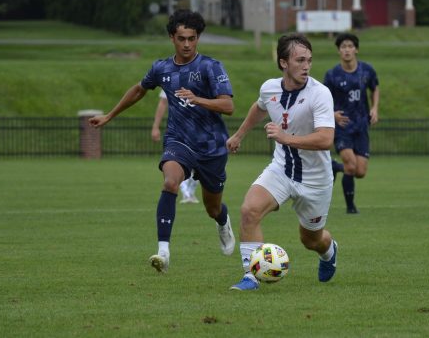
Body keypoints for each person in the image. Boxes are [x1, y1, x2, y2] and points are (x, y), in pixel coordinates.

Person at [89, 9, 236, 273]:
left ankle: (223, 222)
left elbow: (228, 106)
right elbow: (138, 90)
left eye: (192, 38)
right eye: (182, 38)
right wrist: (110, 115)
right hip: (178, 140)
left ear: (198, 38)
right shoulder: (161, 68)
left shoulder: (210, 66)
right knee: (170, 181)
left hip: (212, 146)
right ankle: (163, 252)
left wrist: (197, 99)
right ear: (172, 38)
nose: (187, 44)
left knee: (212, 208)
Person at [226, 33, 338, 291]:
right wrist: (239, 135)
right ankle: (250, 276)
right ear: (283, 63)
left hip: (315, 179)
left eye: (309, 60)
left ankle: (329, 251)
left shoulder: (320, 93)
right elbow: (259, 106)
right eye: (300, 60)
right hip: (281, 170)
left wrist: (286, 138)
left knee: (311, 240)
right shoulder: (269, 88)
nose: (306, 66)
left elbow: (326, 139)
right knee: (249, 210)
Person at [323, 32, 379, 214]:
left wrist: (375, 108)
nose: (347, 50)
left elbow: (375, 88)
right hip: (342, 126)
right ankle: (351, 208)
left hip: (362, 125)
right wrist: (332, 114)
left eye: (350, 46)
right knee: (351, 165)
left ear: (356, 49)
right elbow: (321, 98)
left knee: (360, 171)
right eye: (343, 47)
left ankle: (335, 167)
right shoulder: (332, 75)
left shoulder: (367, 70)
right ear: (339, 51)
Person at [152, 89, 199, 203]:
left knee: (198, 165)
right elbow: (163, 102)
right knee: (178, 163)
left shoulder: (204, 76)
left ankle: (190, 193)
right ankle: (186, 194)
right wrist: (155, 126)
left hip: (200, 131)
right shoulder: (171, 77)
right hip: (178, 132)